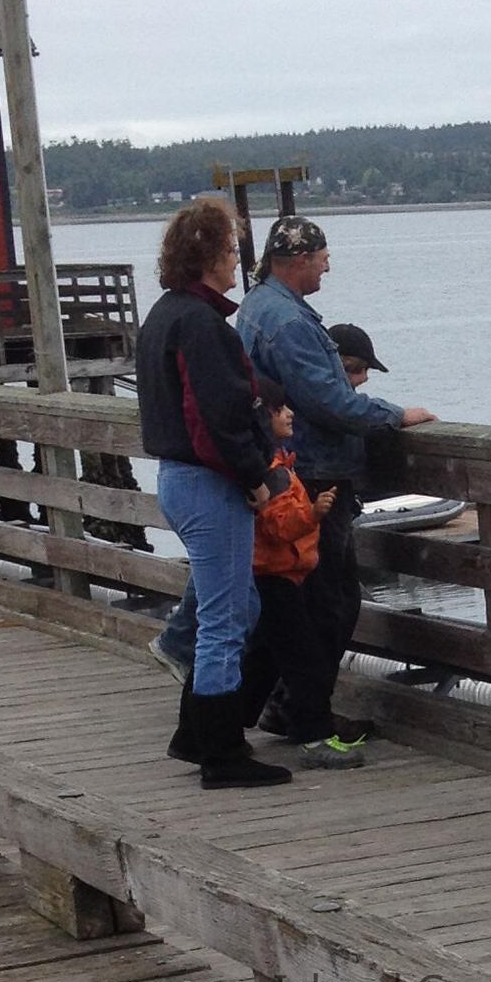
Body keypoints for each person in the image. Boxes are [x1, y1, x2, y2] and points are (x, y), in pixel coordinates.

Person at [238, 219, 438, 752]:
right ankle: (302, 713)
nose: (328, 265)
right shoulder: (288, 321)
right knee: (330, 603)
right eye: (323, 257)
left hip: (287, 468)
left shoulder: (258, 306)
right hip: (315, 473)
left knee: (291, 603)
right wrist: (395, 415)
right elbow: (329, 401)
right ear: (299, 259)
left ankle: (262, 708)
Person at [133, 196, 295, 790]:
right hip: (209, 484)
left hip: (178, 478)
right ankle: (222, 754)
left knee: (238, 609)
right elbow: (214, 418)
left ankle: (194, 734)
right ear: (207, 256)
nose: (237, 262)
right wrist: (255, 477)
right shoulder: (201, 325)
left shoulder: (165, 315)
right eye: (231, 250)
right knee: (225, 622)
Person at [231, 378, 357, 766]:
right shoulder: (272, 470)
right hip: (276, 575)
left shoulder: (274, 463)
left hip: (273, 574)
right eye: (279, 409)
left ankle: (226, 725)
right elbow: (279, 526)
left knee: (265, 655)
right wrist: (314, 514)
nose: (289, 414)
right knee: (306, 659)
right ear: (261, 417)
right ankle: (314, 736)